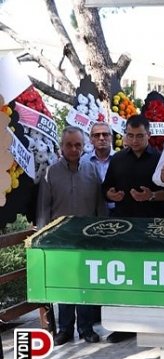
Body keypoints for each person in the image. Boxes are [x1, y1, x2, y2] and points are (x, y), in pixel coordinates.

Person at [36, 126, 108, 346]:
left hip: (88, 238)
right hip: (61, 239)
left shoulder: (92, 170)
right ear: (62, 146)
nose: (74, 149)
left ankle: (86, 328)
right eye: (69, 145)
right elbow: (43, 209)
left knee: (85, 283)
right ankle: (65, 329)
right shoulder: (51, 173)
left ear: (83, 146)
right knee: (65, 284)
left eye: (78, 145)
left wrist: (102, 234)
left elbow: (100, 205)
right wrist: (43, 239)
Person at [101, 114, 164, 343]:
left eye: (140, 136)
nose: (135, 140)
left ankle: (155, 324)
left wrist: (151, 196)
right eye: (130, 136)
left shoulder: (160, 159)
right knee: (126, 276)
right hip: (124, 227)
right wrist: (111, 194)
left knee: (152, 276)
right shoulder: (118, 159)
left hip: (153, 227)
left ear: (148, 135)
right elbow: (106, 188)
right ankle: (125, 326)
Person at [83, 122, 116, 214]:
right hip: (92, 211)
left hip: (118, 210)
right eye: (97, 135)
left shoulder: (121, 159)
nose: (101, 138)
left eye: (105, 134)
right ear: (91, 139)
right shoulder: (83, 161)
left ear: (111, 138)